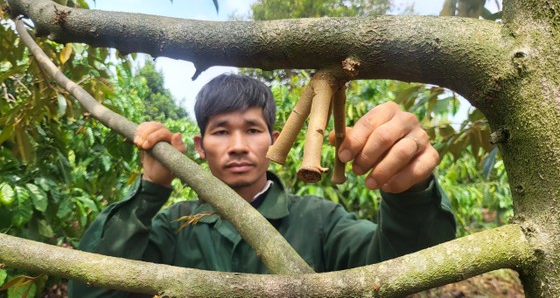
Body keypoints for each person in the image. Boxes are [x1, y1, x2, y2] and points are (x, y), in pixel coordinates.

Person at [69, 73, 456, 297]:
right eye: (221, 131)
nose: (238, 146)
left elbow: (405, 266)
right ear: (201, 148)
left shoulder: (321, 221)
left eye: (252, 130)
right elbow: (91, 289)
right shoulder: (173, 227)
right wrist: (152, 187)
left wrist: (410, 190)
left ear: (274, 138)